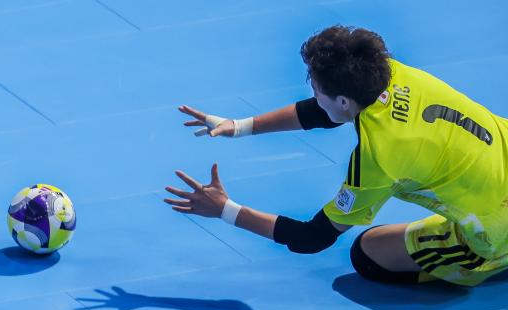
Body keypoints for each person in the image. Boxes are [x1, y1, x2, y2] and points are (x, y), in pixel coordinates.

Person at [164, 25, 508, 287]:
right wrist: (238, 126)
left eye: (315, 88)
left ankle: (494, 260)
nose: (313, 93)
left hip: (498, 226)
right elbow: (324, 112)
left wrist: (224, 209)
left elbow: (312, 237)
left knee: (368, 254)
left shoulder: (379, 158)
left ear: (344, 100)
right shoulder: (389, 72)